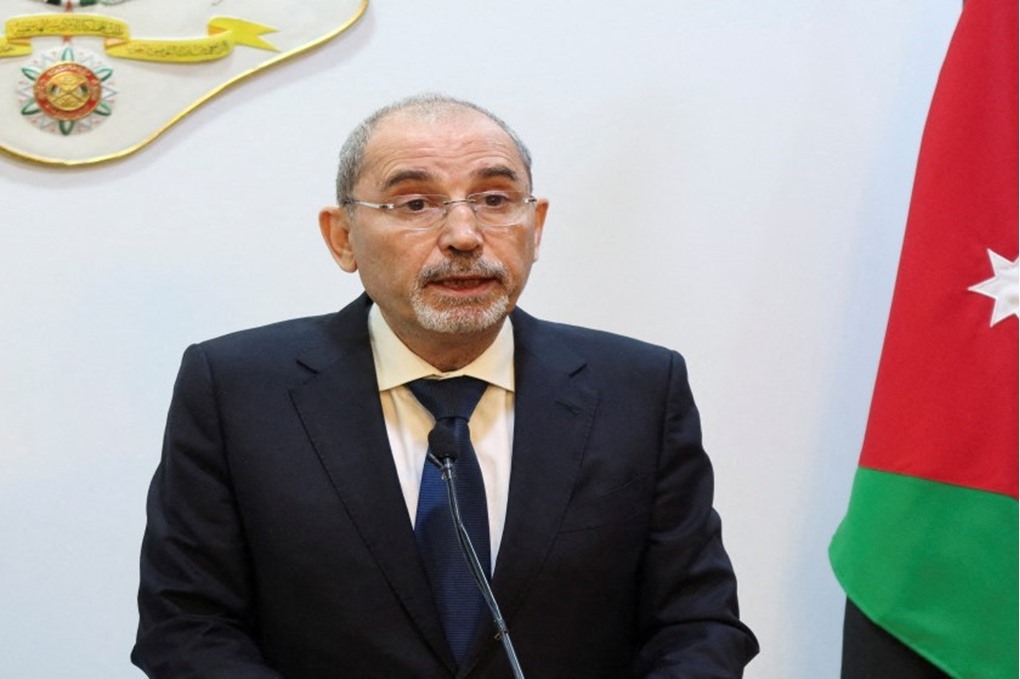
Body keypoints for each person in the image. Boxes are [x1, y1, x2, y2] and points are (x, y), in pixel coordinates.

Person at [131, 93, 759, 678]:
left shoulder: (638, 388)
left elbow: (697, 624)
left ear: (536, 226)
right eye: (415, 204)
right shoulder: (237, 389)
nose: (464, 236)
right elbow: (188, 625)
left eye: (495, 199)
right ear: (342, 237)